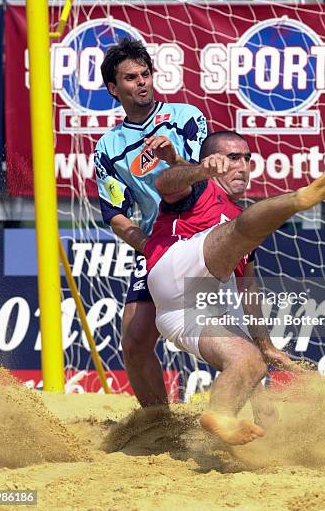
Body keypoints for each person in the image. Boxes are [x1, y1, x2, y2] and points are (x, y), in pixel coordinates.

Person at [140, 131, 325, 445]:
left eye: (247, 159)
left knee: (250, 362)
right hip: (172, 272)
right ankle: (302, 198)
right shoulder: (199, 187)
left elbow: (248, 288)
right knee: (238, 230)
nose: (242, 166)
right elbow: (165, 184)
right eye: (232, 158)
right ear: (212, 160)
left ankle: (224, 416)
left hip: (180, 314)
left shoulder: (244, 225)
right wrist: (202, 170)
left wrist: (265, 345)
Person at [94, 38, 208, 407]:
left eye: (145, 74)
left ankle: (261, 413)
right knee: (135, 340)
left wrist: (173, 157)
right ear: (114, 89)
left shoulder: (186, 116)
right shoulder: (108, 147)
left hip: (205, 230)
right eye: (130, 77)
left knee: (233, 335)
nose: (142, 82)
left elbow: (205, 177)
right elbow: (115, 215)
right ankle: (159, 426)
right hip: (159, 243)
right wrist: (150, 246)